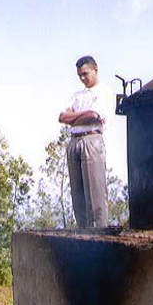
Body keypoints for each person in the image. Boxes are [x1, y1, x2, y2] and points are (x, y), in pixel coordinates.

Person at [58, 56, 113, 228]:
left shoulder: (104, 91)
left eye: (85, 74)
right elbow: (62, 117)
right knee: (78, 194)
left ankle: (99, 234)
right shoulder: (77, 95)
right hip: (74, 141)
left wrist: (73, 118)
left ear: (95, 69)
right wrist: (82, 115)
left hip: (92, 140)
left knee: (95, 193)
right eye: (79, 75)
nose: (82, 78)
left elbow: (93, 117)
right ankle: (82, 233)